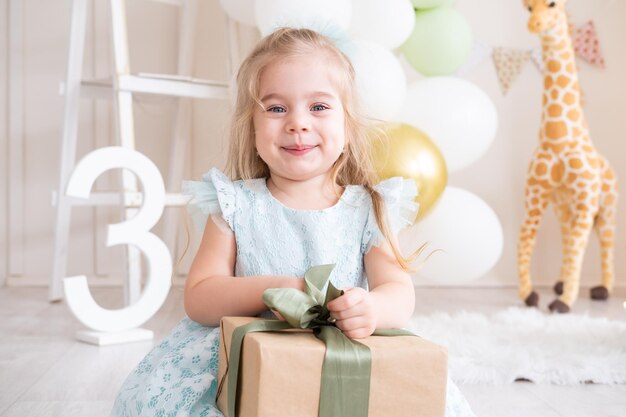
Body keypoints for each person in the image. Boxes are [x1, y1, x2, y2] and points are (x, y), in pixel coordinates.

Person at [111, 27, 475, 417]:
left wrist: (371, 307)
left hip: (340, 363)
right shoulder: (236, 205)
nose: (297, 123)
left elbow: (399, 293)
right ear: (252, 129)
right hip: (247, 359)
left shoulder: (368, 208)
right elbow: (199, 298)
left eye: (318, 107)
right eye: (276, 108)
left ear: (348, 129)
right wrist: (275, 289)